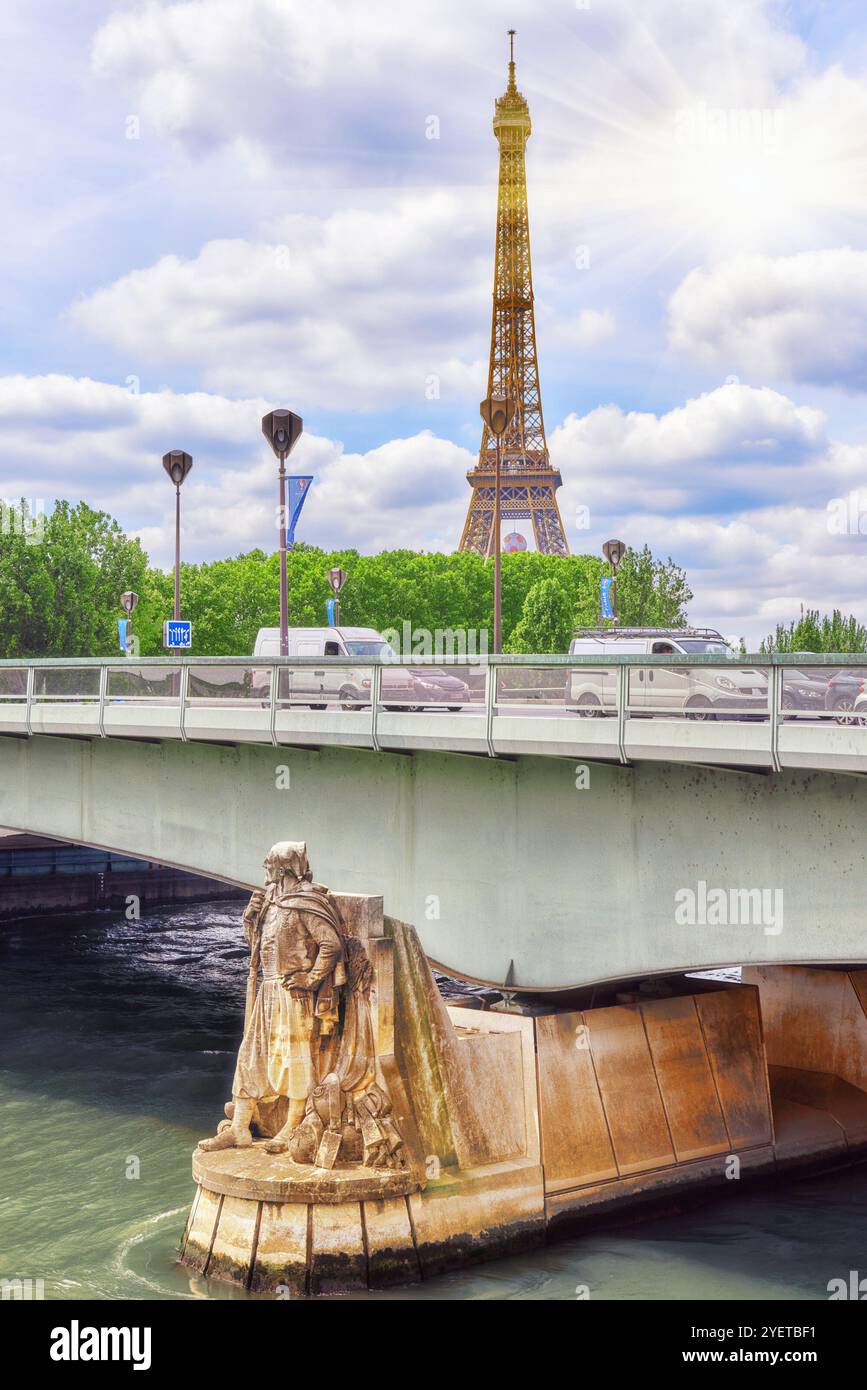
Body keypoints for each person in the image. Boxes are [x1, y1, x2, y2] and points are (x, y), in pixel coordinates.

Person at [199, 842, 345, 1153]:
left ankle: (292, 1125)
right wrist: (250, 920)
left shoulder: (307, 902)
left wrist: (311, 978)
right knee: (250, 1056)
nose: (265, 867)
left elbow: (331, 944)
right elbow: (259, 948)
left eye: (270, 862)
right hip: (268, 991)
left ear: (284, 867)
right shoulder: (270, 902)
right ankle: (238, 1128)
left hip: (293, 996)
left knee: (295, 1061)